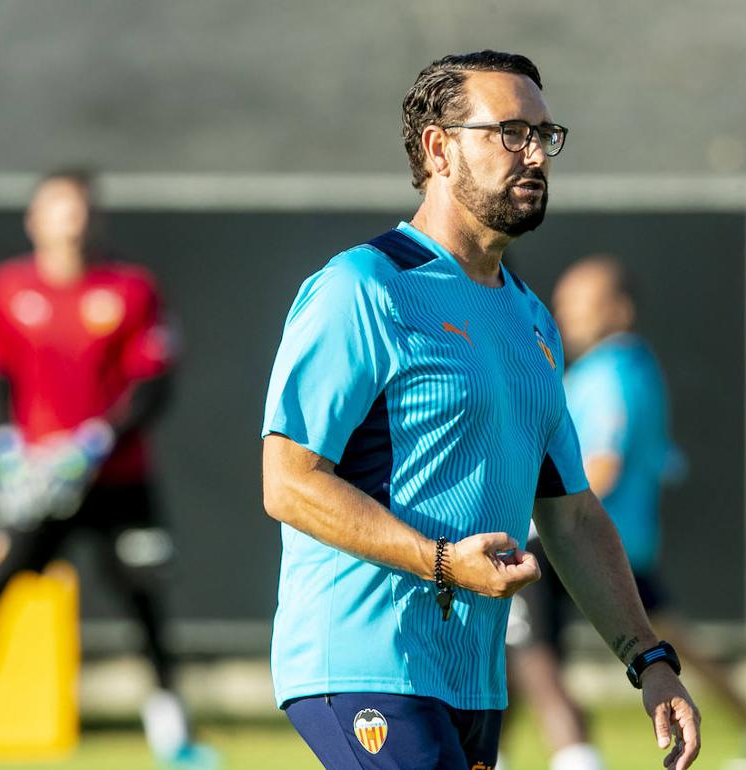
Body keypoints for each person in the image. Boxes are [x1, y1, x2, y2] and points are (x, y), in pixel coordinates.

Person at [261, 51, 701, 770]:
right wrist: (438, 562)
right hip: (364, 659)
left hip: (472, 677)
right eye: (510, 132)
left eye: (544, 134)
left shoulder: (529, 316)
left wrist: (648, 659)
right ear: (439, 148)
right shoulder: (362, 287)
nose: (535, 154)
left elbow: (572, 513)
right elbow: (289, 482)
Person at [0, 169, 215, 769]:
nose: (68, 222)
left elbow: (154, 384)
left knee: (145, 606)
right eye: (56, 209)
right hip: (39, 485)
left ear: (92, 218)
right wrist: (7, 447)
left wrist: (96, 441)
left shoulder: (131, 289)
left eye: (77, 210)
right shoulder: (7, 288)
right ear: (34, 219)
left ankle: (173, 740)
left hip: (118, 481)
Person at [505, 254, 746, 770]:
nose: (567, 314)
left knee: (530, 649)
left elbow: (601, 464)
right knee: (670, 646)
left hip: (577, 543)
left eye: (582, 304)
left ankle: (575, 756)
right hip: (625, 544)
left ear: (618, 310)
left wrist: (535, 518)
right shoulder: (629, 367)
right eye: (564, 303)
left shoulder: (613, 370)